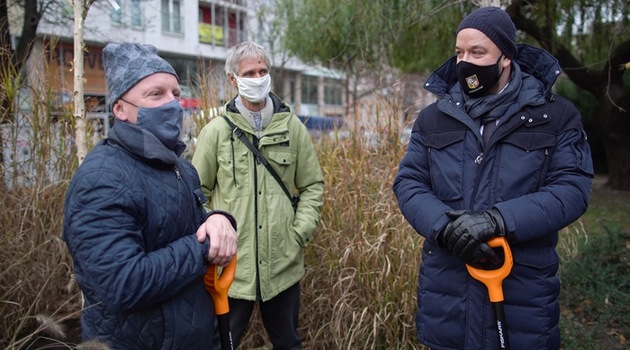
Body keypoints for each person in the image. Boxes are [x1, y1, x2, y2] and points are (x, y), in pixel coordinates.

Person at [393, 7, 593, 350]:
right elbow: (409, 183)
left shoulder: (555, 117)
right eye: (459, 53)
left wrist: (497, 220)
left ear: (506, 58)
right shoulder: (433, 119)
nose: (465, 63)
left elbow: (571, 190)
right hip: (448, 298)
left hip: (521, 299)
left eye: (478, 52)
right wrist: (445, 227)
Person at [62, 43, 238, 349]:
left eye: (175, 94)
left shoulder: (180, 166)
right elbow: (122, 283)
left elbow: (183, 224)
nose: (172, 104)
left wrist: (218, 219)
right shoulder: (101, 178)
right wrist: (204, 247)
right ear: (120, 109)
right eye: (156, 95)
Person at [192, 41, 324, 350]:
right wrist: (215, 238)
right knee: (221, 344)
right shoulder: (216, 132)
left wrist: (298, 234)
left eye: (263, 70)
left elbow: (312, 186)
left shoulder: (292, 128)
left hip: (283, 265)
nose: (258, 77)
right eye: (249, 72)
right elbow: (196, 194)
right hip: (231, 270)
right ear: (232, 79)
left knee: (289, 343)